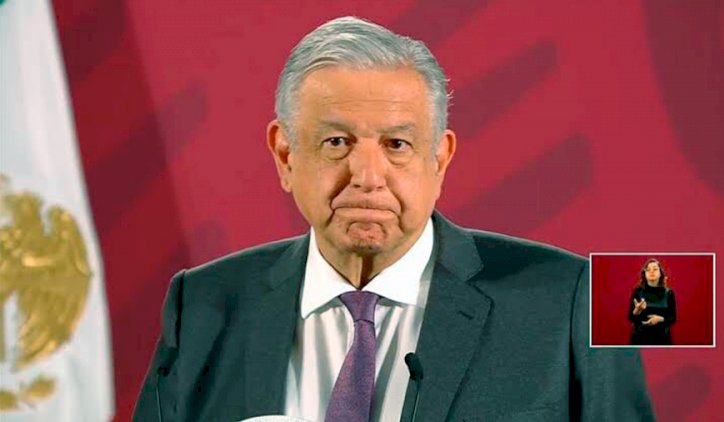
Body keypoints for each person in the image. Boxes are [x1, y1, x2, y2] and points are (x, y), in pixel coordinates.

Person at [134, 16, 654, 421]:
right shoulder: (200, 305)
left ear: (439, 159)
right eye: (337, 142)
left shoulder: (581, 297)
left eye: (397, 144)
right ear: (285, 155)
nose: (367, 176)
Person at [629, 258, 677, 345]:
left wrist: (660, 319)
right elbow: (630, 318)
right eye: (648, 269)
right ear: (644, 274)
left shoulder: (669, 293)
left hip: (662, 340)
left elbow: (673, 318)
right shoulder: (637, 292)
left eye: (655, 269)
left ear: (660, 274)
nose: (651, 271)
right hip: (640, 339)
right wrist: (636, 311)